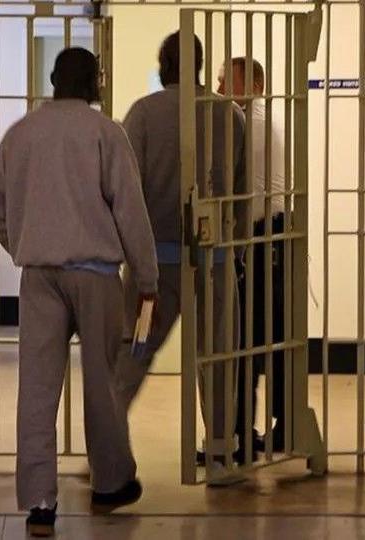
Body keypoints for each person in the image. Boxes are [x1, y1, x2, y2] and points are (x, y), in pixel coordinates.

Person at [0, 47, 158, 537]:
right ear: (94, 82)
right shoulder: (106, 133)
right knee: (102, 384)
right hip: (97, 274)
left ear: (54, 80)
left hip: (38, 275)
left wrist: (28, 246)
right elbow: (130, 210)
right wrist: (147, 278)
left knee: (37, 389)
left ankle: (39, 501)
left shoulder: (18, 135)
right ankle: (110, 482)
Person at [118, 32, 250, 467]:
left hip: (150, 267)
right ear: (199, 63)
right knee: (217, 357)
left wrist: (125, 254)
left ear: (163, 64)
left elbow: (126, 192)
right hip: (212, 260)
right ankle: (219, 450)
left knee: (132, 354)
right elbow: (240, 195)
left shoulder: (142, 115)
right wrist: (239, 251)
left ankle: (109, 447)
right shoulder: (227, 115)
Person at [218, 57, 287, 454]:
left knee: (242, 339)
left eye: (227, 80)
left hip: (258, 237)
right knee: (269, 336)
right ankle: (277, 427)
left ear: (253, 84)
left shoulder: (248, 124)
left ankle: (240, 436)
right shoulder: (269, 118)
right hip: (273, 236)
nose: (220, 87)